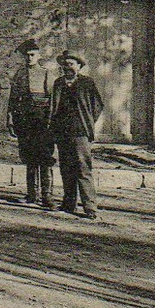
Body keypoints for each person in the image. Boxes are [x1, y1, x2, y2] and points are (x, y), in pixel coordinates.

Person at [50, 51, 105, 219]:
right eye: (65, 64)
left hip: (80, 132)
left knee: (83, 168)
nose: (68, 67)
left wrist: (87, 121)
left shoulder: (87, 83)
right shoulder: (58, 83)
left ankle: (90, 207)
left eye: (71, 64)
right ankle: (69, 204)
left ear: (79, 66)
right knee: (66, 167)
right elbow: (54, 106)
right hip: (62, 131)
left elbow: (97, 106)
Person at [8, 38, 56, 208]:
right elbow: (13, 99)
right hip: (24, 121)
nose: (29, 58)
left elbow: (52, 100)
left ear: (38, 55)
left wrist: (50, 121)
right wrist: (10, 118)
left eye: (32, 55)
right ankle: (31, 194)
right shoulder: (19, 74)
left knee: (44, 157)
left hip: (42, 121)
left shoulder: (46, 73)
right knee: (29, 157)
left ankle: (47, 195)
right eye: (26, 55)